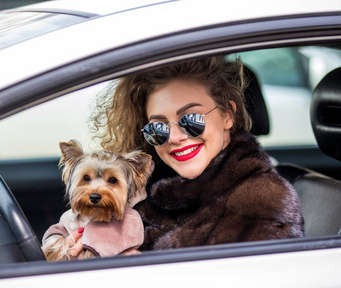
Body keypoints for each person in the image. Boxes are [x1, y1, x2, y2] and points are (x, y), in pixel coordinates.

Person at [89, 55, 304, 251]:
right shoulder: (146, 192)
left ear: (227, 115)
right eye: (158, 128)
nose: (174, 137)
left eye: (191, 119)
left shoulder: (262, 202)